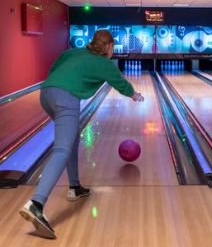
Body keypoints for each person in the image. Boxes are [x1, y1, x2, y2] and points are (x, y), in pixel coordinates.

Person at [19, 30, 144, 239]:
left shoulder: (72, 52)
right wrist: (135, 95)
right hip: (66, 99)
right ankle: (36, 204)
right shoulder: (104, 63)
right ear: (110, 47)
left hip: (47, 93)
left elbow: (54, 68)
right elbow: (120, 83)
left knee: (72, 138)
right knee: (62, 149)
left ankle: (75, 187)